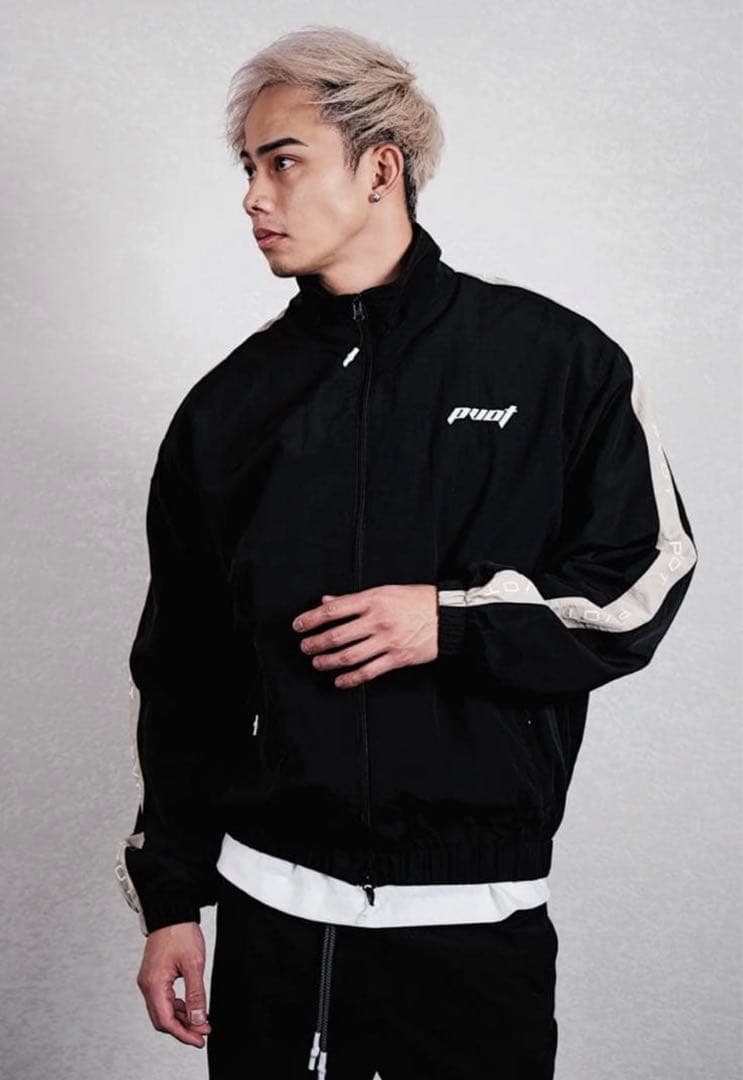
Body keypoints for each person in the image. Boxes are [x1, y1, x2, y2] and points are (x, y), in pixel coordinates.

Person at [114, 25, 698, 1080]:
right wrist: (171, 901)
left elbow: (642, 576)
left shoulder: (554, 362)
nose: (252, 198)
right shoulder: (228, 408)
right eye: (246, 168)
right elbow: (186, 670)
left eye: (281, 162)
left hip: (474, 917)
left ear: (378, 168)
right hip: (271, 915)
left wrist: (451, 622)